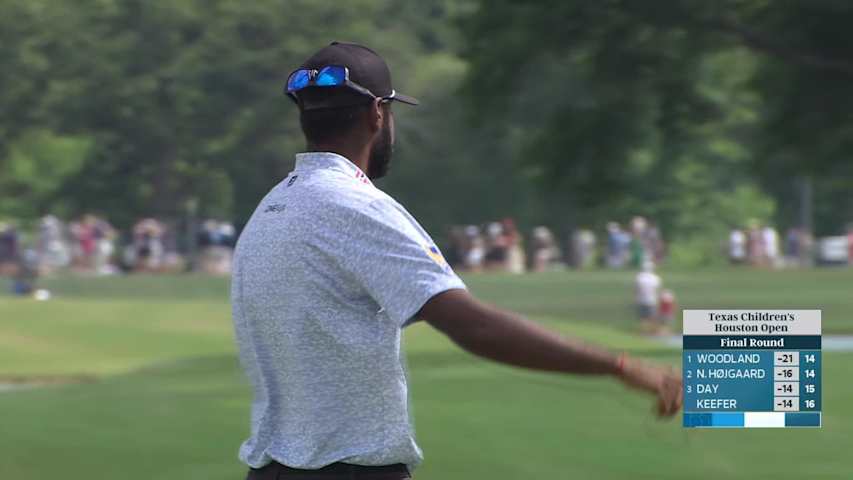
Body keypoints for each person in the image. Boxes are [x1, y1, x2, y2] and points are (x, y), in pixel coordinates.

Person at [231, 42, 681, 480]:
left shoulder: (271, 210)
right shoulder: (356, 207)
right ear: (377, 115)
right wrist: (622, 366)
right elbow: (472, 325)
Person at [635, 260, 662, 333]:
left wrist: (636, 299)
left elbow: (637, 289)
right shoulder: (655, 278)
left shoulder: (639, 277)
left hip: (641, 300)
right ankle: (652, 332)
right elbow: (657, 290)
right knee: (652, 317)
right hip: (652, 300)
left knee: (643, 318)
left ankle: (644, 332)